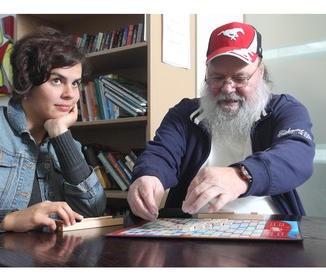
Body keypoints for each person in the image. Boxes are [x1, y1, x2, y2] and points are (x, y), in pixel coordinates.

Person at [127, 22, 315, 221]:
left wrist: (242, 175)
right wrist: (149, 177)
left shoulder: (285, 109)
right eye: (217, 77)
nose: (227, 88)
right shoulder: (184, 114)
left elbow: (297, 154)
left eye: (240, 78)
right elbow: (161, 153)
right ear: (206, 73)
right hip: (191, 235)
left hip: (270, 229)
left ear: (261, 71)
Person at [0, 27, 106, 266]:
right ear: (27, 80)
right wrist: (12, 220)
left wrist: (60, 134)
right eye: (57, 80)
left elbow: (94, 210)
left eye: (75, 83)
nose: (71, 95)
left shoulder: (66, 142)